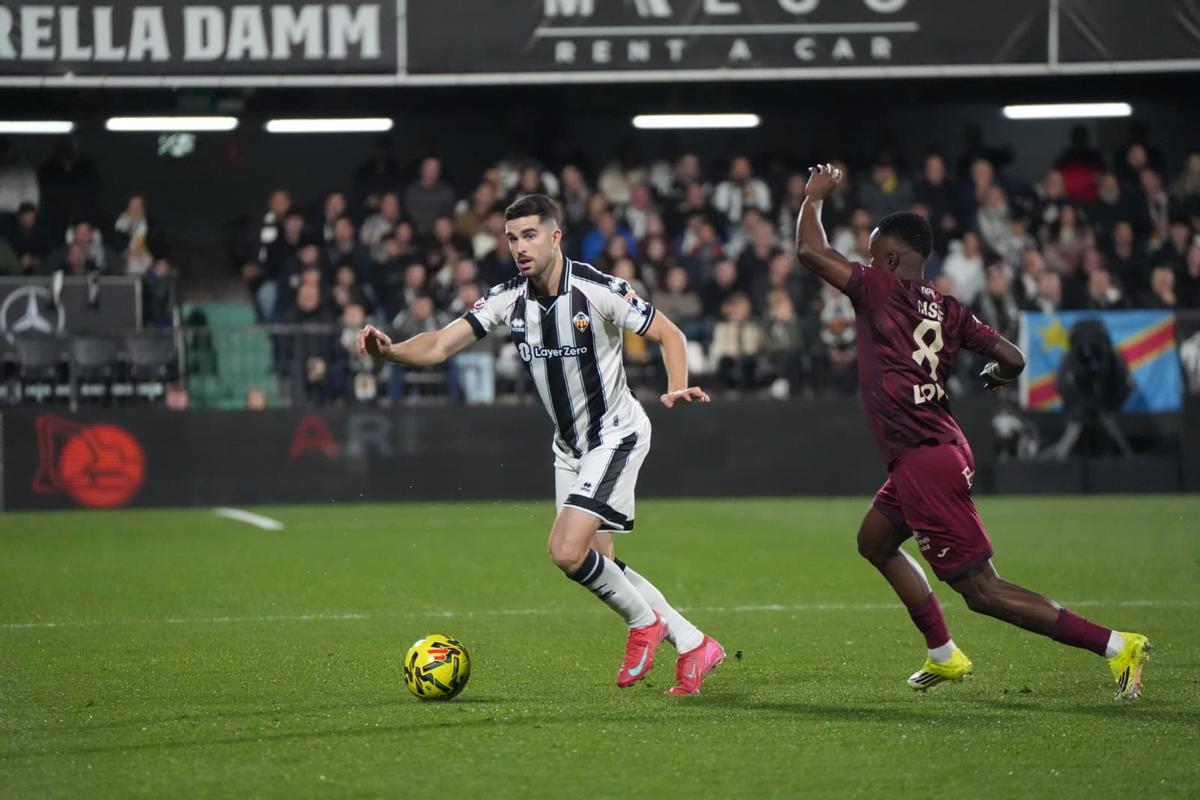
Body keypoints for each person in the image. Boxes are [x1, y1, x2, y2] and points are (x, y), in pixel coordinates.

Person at [794, 163, 1150, 700]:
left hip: (924, 459)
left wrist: (814, 199)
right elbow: (1013, 356)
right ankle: (944, 654)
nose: (865, 263)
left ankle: (1115, 645)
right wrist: (996, 375)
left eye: (871, 254)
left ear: (889, 258)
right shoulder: (951, 309)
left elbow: (810, 253)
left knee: (983, 590)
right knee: (875, 541)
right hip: (942, 445)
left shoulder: (879, 289)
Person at [358, 194, 724, 694]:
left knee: (565, 551)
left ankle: (644, 624)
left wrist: (676, 383)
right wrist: (392, 353)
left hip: (615, 434)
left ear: (555, 237)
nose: (519, 247)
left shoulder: (597, 288)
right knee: (602, 563)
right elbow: (442, 343)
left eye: (530, 235)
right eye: (512, 238)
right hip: (569, 448)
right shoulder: (508, 298)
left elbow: (669, 332)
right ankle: (694, 643)